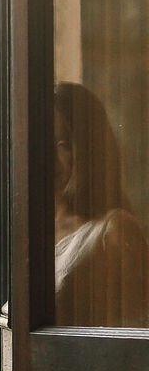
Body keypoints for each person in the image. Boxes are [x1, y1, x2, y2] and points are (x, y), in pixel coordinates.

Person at [54, 80, 149, 327]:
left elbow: (135, 338)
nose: (49, 157)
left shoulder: (113, 230)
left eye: (63, 145)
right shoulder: (26, 234)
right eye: (40, 142)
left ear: (87, 150)